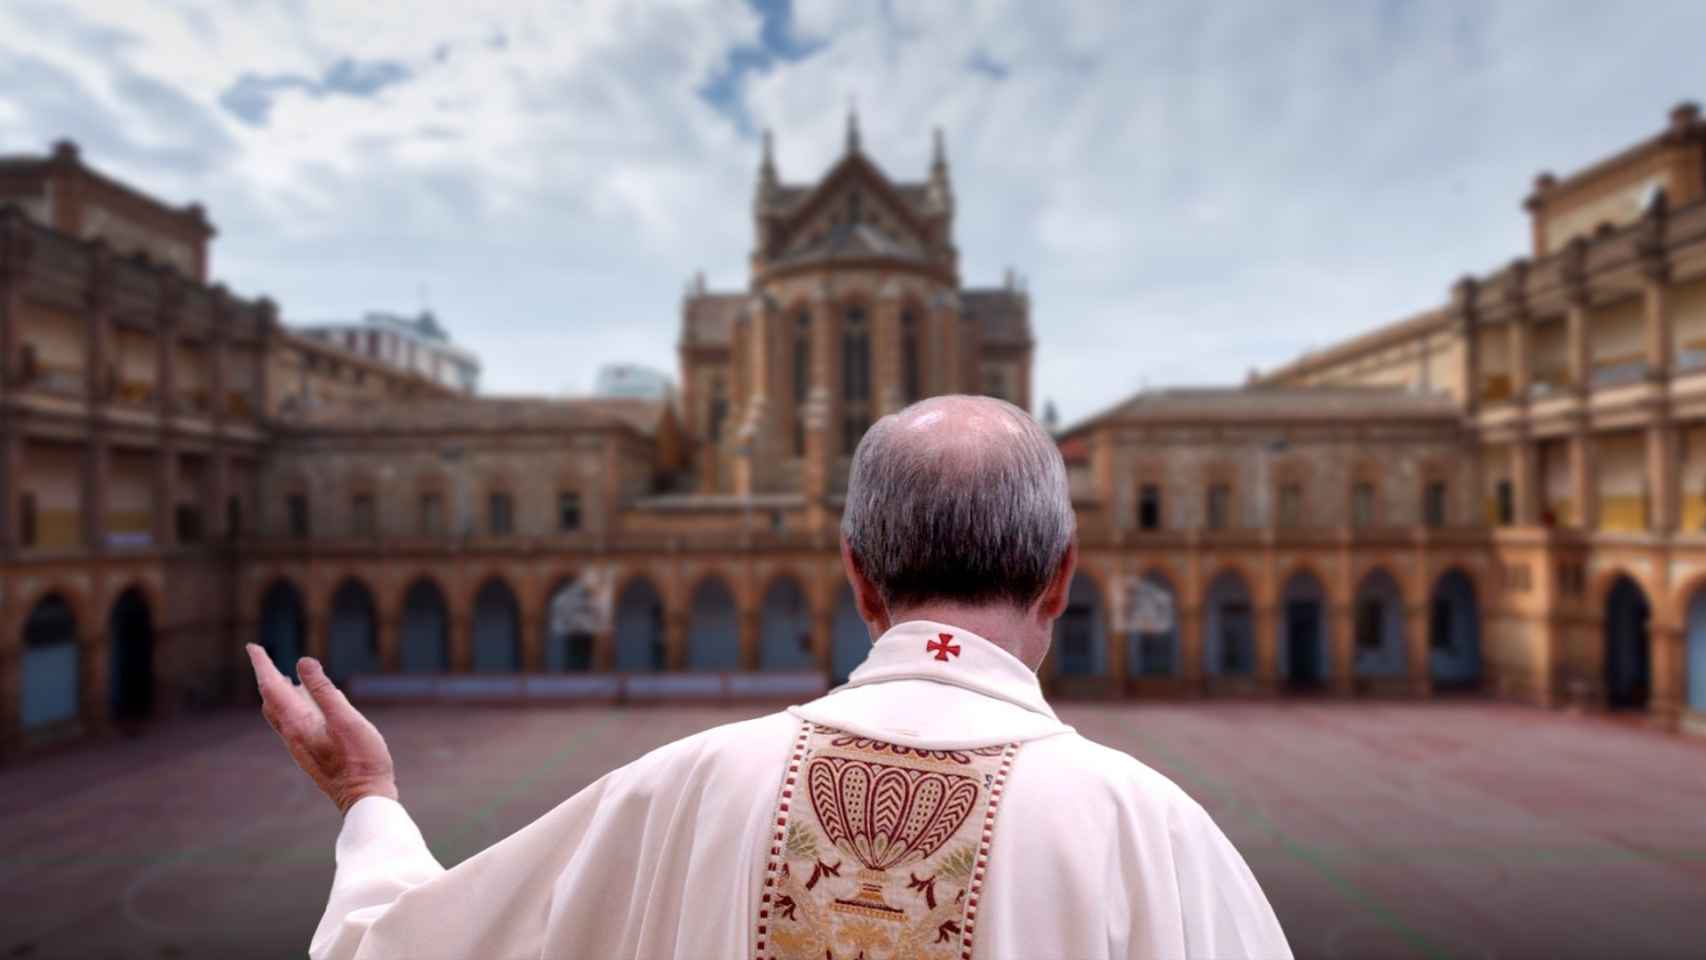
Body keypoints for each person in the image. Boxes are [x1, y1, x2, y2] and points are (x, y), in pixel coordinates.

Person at [250, 394, 1292, 959]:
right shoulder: (1153, 832)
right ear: (1061, 578)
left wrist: (368, 803)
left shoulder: (684, 789)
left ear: (853, 573)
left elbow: (404, 953)